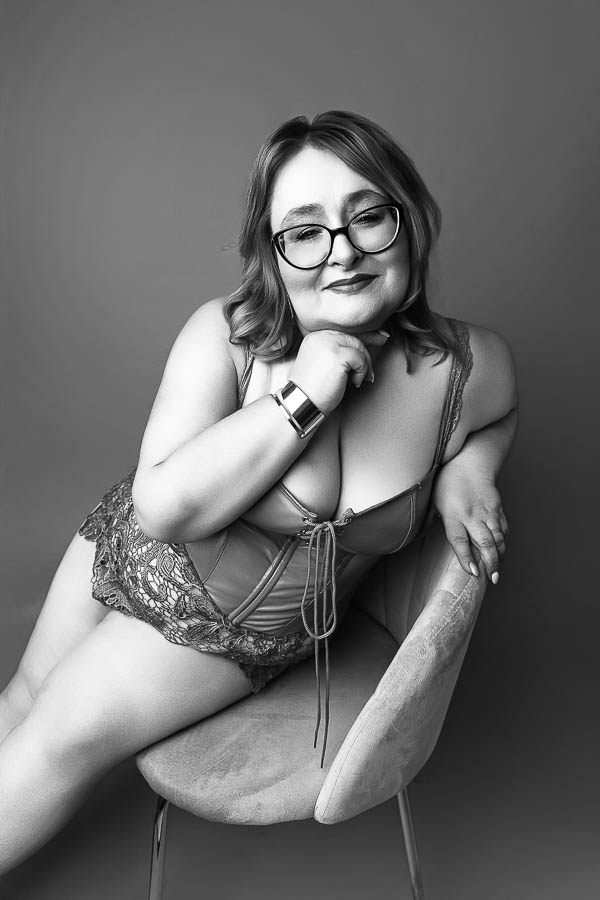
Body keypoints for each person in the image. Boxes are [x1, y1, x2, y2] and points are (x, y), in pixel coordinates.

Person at [0, 110, 517, 873]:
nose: (341, 252)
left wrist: (470, 470)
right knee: (22, 698)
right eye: (305, 232)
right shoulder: (227, 333)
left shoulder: (468, 369)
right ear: (272, 250)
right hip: (141, 543)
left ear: (409, 219)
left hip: (228, 633)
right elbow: (162, 509)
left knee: (60, 738)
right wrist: (305, 394)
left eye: (367, 216)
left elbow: (499, 415)